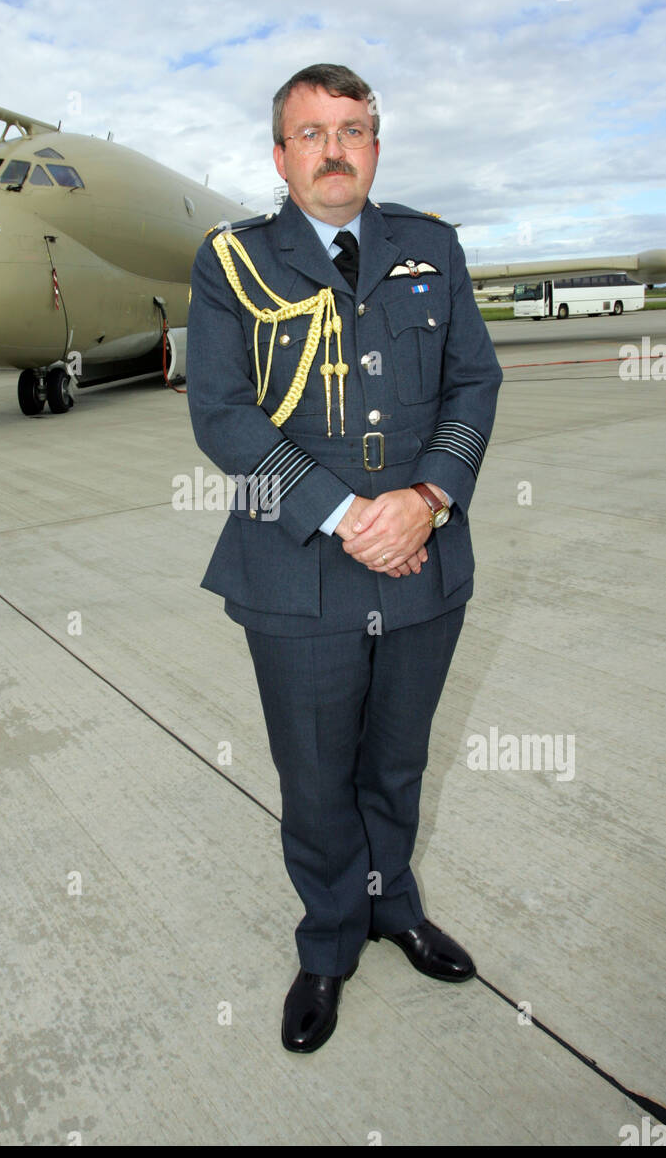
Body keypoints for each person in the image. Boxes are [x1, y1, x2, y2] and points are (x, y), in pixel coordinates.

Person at [186, 63, 502, 1053]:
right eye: (310, 133)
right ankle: (327, 941)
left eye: (351, 128)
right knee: (317, 774)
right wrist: (342, 516)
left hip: (423, 557)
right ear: (279, 155)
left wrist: (423, 499)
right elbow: (221, 413)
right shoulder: (232, 260)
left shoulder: (429, 246)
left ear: (375, 141)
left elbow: (472, 380)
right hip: (296, 567)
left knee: (396, 763)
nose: (333, 149)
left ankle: (392, 905)